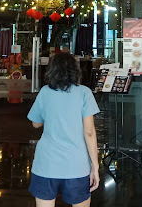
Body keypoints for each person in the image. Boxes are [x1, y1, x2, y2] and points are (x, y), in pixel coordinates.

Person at [27, 52, 100, 207]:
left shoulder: (45, 91)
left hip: (46, 164)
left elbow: (35, 123)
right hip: (77, 165)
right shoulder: (84, 92)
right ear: (75, 70)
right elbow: (89, 132)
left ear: (51, 70)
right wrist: (95, 165)